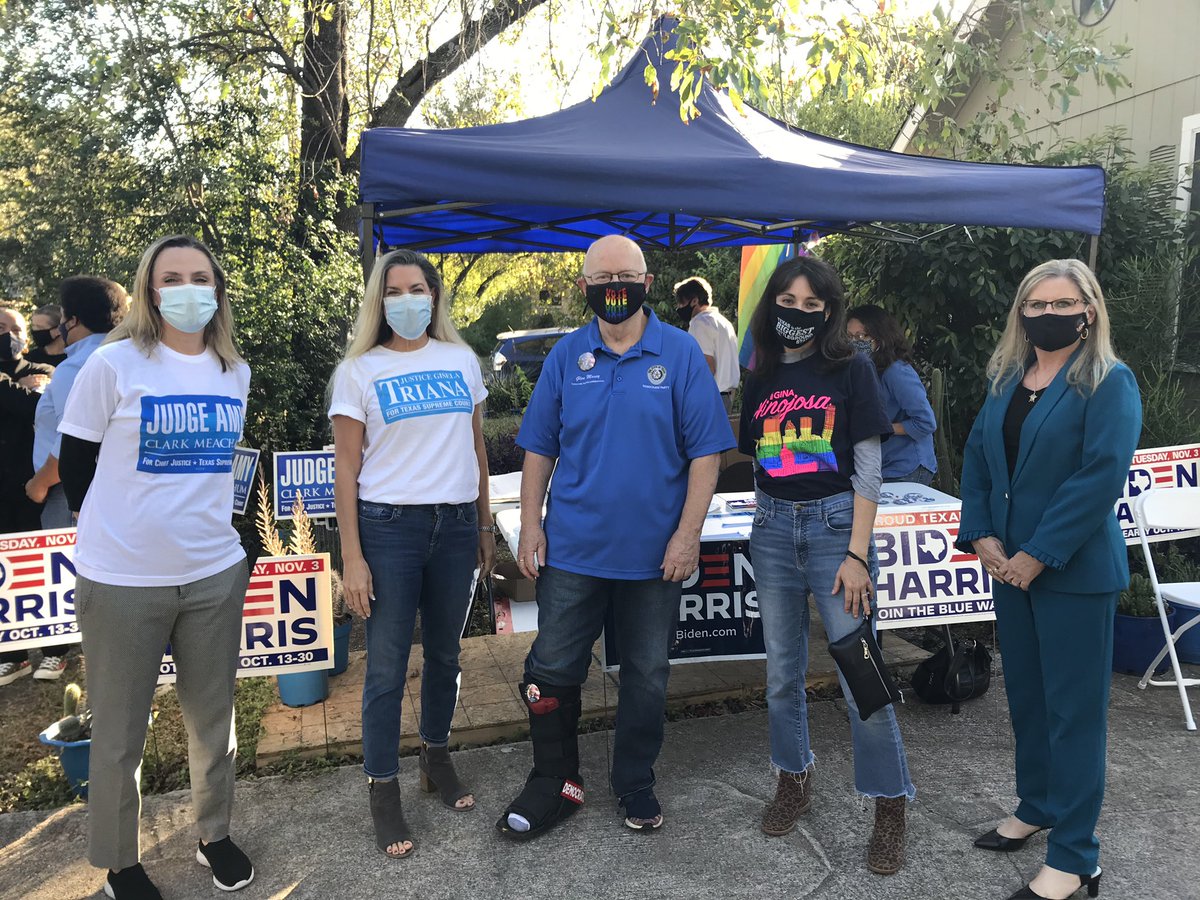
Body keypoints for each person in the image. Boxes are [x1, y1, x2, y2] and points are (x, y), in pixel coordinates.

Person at [497, 234, 734, 840]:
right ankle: (556, 781)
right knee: (551, 667)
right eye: (601, 279)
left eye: (625, 276)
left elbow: (707, 453)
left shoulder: (680, 354)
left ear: (648, 282)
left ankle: (634, 779)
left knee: (648, 675)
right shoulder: (565, 356)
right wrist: (531, 524)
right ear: (584, 288)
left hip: (656, 557)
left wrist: (688, 536)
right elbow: (538, 448)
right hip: (574, 550)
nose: (614, 288)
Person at [58, 235, 255, 900]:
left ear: (218, 290)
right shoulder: (112, 367)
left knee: (213, 719)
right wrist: (121, 534)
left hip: (211, 574)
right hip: (122, 581)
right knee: (118, 729)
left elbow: (222, 470)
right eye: (172, 278)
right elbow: (77, 467)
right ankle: (119, 864)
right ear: (147, 289)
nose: (188, 289)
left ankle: (214, 835)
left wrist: (232, 546)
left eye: (200, 277)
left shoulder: (234, 371)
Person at [957, 259, 1141, 900]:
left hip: (1071, 574)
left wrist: (1035, 554)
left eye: (1061, 303)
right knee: (1029, 702)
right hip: (1008, 568)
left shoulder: (1109, 382)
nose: (1046, 314)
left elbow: (1099, 478)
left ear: (1088, 311)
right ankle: (1035, 805)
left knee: (1075, 715)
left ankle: (1075, 854)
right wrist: (980, 535)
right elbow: (978, 457)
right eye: (1034, 304)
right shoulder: (1008, 377)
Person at [740, 256, 913, 875]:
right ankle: (793, 777)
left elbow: (869, 468)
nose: (800, 312)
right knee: (782, 672)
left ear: (830, 310)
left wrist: (857, 555)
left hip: (837, 526)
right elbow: (757, 456)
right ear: (773, 303)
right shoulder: (759, 373)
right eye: (790, 299)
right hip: (771, 529)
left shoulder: (853, 367)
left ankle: (889, 802)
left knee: (857, 671)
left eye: (814, 305)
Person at [329, 248, 495, 860]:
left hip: (454, 527)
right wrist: (352, 555)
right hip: (389, 529)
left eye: (417, 288)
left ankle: (436, 758)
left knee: (447, 657)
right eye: (394, 291)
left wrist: (483, 527)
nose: (407, 300)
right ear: (380, 300)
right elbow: (345, 470)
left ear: (435, 295)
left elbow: (476, 449)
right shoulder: (359, 370)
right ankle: (383, 789)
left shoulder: (460, 359)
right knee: (387, 667)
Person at [17, 277, 128, 682]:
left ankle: (96, 671)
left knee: (80, 588)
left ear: (73, 320)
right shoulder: (125, 355)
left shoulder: (76, 369)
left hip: (69, 494)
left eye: (60, 317)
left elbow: (71, 446)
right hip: (112, 492)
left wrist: (40, 484)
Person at [0, 308, 55, 686]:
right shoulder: (22, 379)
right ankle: (13, 655)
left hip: (30, 487)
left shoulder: (44, 371)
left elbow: (34, 407)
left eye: (10, 328)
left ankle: (54, 651)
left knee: (40, 566)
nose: (5, 335)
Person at [846, 304, 938, 485]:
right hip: (881, 466)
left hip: (908, 468)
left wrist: (881, 428)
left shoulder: (897, 371)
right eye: (849, 337)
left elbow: (926, 422)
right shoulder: (861, 369)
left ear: (880, 338)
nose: (854, 342)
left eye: (861, 336)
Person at [674, 275, 740, 413]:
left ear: (695, 301)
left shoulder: (700, 323)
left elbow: (706, 367)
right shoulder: (722, 322)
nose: (679, 307)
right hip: (727, 395)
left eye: (681, 302)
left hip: (710, 398)